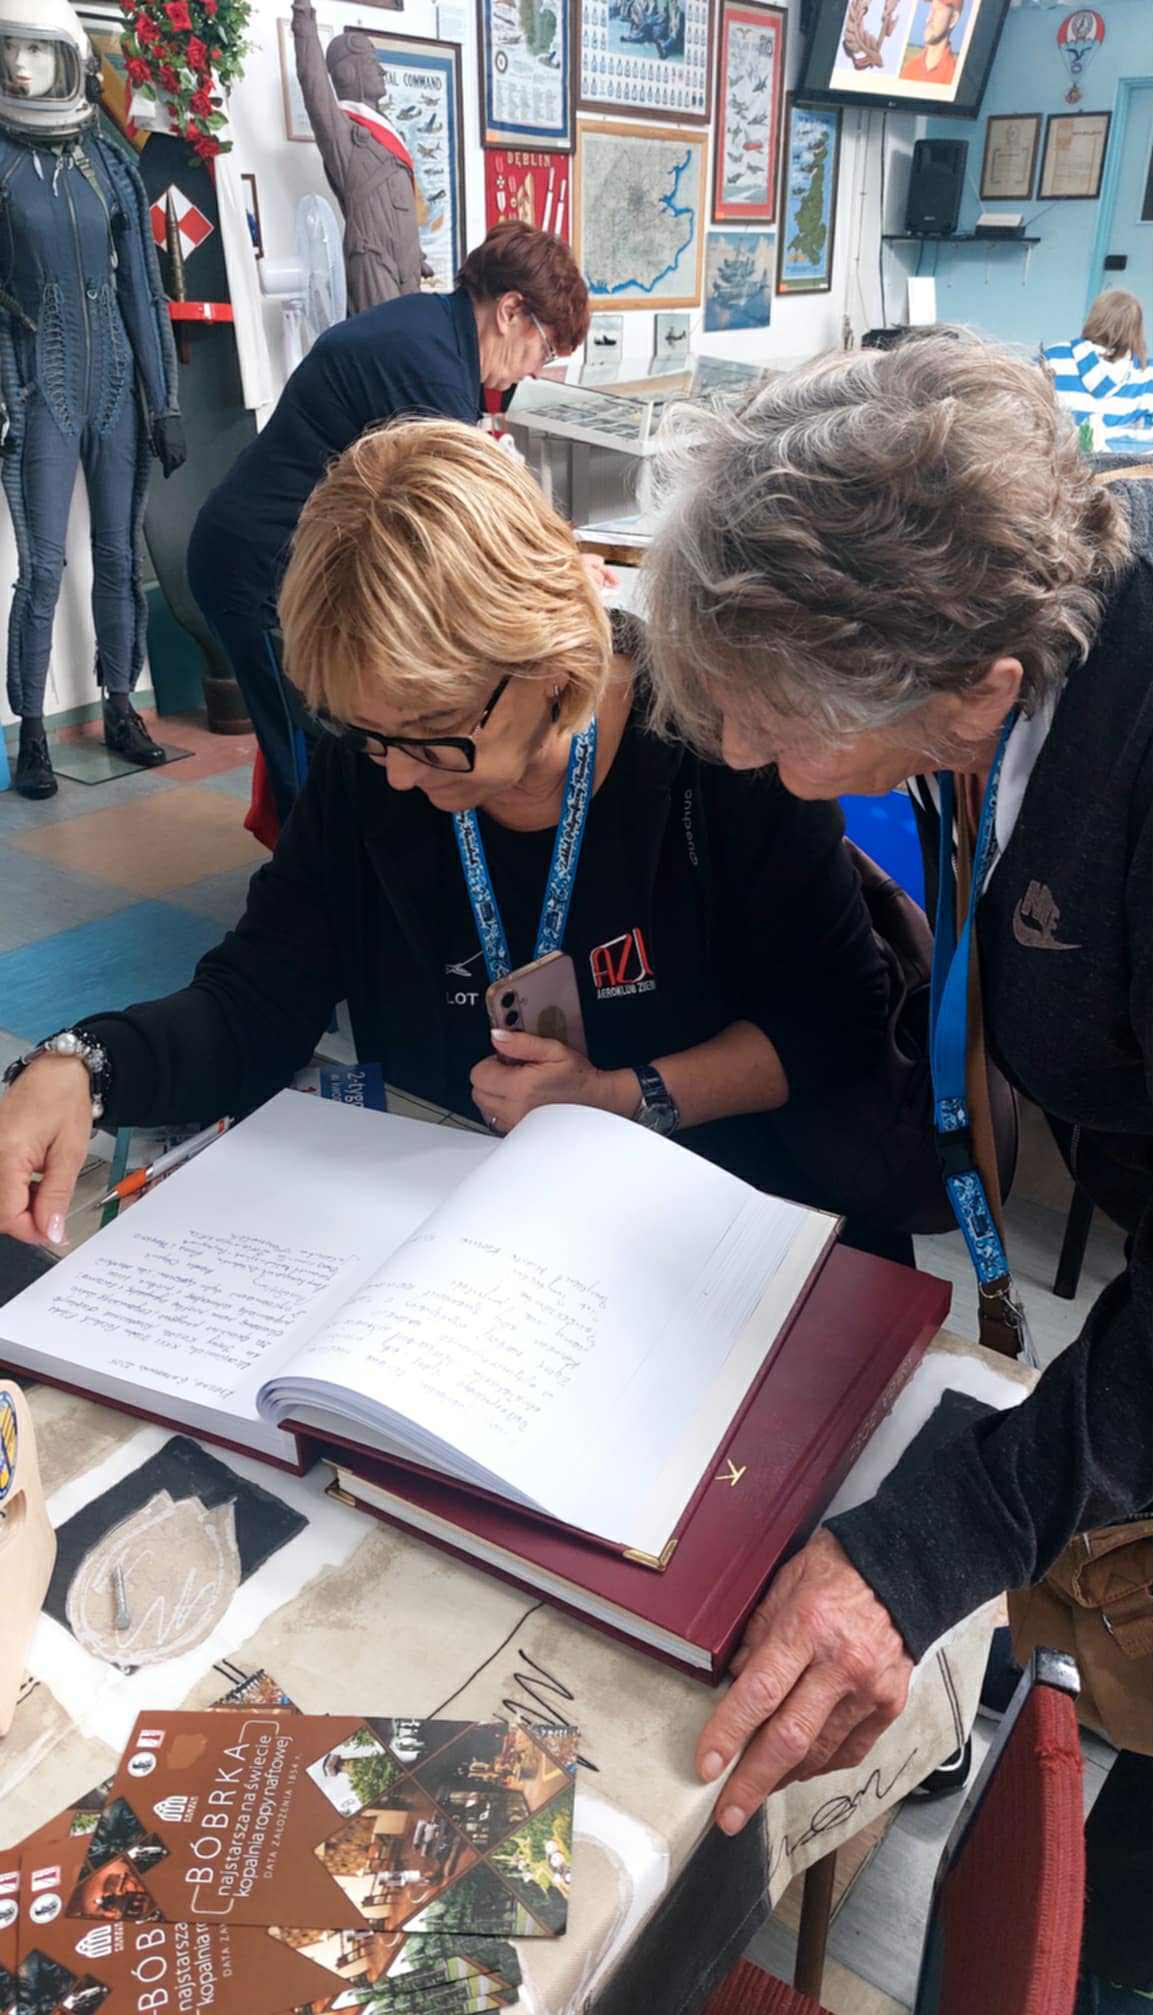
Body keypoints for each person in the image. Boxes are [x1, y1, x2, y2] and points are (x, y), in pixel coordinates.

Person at [642, 331, 1151, 2015]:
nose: (736, 752)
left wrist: (944, 1536)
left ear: (966, 686)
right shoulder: (1028, 691)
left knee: (1103, 1916)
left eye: (769, 718)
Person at [1, 418, 926, 1276]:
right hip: (459, 1237)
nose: (402, 776)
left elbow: (832, 1027)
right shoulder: (373, 766)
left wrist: (617, 1096)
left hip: (712, 1221)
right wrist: (85, 1066)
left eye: (433, 731)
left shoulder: (720, 749)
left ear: (548, 659)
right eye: (370, 736)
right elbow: (257, 998)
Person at [187, 220, 587, 825]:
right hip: (257, 567)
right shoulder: (427, 366)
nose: (535, 370)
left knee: (329, 741)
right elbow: (461, 520)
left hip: (280, 554)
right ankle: (310, 872)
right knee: (310, 748)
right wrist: (559, 567)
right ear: (511, 311)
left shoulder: (432, 333)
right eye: (545, 350)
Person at [0, 0, 184, 801]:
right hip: (39, 386)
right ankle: (32, 738)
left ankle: (120, 707)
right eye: (9, 50)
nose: (18, 66)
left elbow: (142, 290)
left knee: (117, 555)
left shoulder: (110, 164)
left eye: (35, 52)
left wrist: (164, 400)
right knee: (42, 567)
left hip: (113, 385)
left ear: (69, 60)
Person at [290, 0, 423, 314]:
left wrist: (415, 253)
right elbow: (313, 82)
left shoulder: (388, 134)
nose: (381, 71)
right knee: (386, 338)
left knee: (413, 339)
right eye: (372, 63)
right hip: (372, 258)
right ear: (348, 72)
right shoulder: (342, 132)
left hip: (409, 263)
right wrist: (304, 17)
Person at [1044, 289, 1153, 451]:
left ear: (1094, 318)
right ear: (1136, 329)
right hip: (1119, 464)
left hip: (1058, 461)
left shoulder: (1053, 357)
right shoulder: (1146, 374)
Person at [899, 0, 961, 84]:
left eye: (937, 10)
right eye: (930, 9)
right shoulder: (909, 69)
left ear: (953, 19)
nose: (928, 18)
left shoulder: (955, 78)